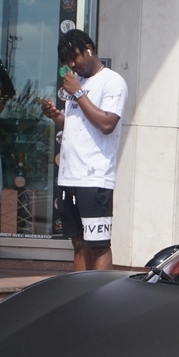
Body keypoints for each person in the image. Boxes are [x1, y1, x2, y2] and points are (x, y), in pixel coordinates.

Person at [40, 29, 127, 271]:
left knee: (98, 244)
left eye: (74, 57)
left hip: (94, 177)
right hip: (69, 177)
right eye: (66, 61)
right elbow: (77, 127)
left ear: (89, 48)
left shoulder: (112, 81)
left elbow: (107, 124)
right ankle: (79, 297)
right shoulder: (79, 87)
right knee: (78, 243)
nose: (71, 64)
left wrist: (77, 93)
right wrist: (56, 116)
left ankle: (102, 303)